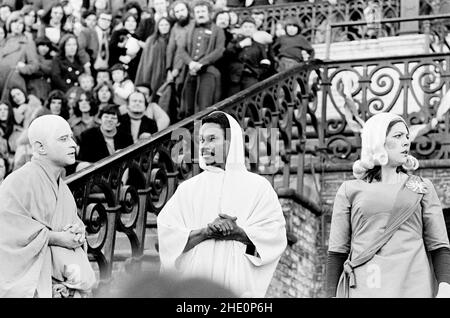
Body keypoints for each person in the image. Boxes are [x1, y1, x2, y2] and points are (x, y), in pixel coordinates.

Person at [157, 111, 287, 297]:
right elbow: (168, 239)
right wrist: (205, 232)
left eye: (212, 139)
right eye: (201, 140)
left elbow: (273, 239)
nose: (204, 146)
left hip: (238, 284)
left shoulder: (258, 187)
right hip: (195, 285)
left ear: (230, 142)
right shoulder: (188, 189)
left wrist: (240, 233)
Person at [326, 112, 450, 298]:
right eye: (398, 136)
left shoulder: (422, 187)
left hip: (414, 287)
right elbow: (337, 251)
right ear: (377, 140)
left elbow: (439, 245)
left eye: (407, 137)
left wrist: (445, 288)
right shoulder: (349, 190)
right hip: (365, 287)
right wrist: (330, 295)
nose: (406, 142)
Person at [0, 114, 96, 297]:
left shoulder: (63, 188)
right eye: (63, 139)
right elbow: (6, 232)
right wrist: (58, 238)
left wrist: (77, 232)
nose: (73, 145)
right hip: (34, 284)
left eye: (71, 137)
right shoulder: (17, 182)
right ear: (40, 147)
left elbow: (69, 225)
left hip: (64, 285)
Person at [177, 0, 225, 116]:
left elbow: (219, 51)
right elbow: (181, 49)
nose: (200, 14)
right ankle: (191, 132)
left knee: (204, 106)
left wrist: (202, 63)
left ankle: (203, 132)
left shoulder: (218, 30)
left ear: (209, 13)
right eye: (198, 12)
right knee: (188, 105)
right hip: (191, 71)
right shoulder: (189, 30)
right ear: (194, 14)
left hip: (208, 72)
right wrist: (190, 63)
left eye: (203, 11)